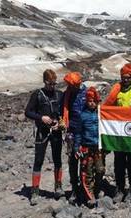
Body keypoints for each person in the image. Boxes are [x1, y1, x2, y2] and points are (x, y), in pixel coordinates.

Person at [104, 63, 131, 203]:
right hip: (119, 135)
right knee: (119, 163)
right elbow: (108, 108)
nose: (126, 79)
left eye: (128, 77)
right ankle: (120, 189)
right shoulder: (117, 92)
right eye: (123, 77)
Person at [25, 69, 64, 205]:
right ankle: (35, 191)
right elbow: (28, 112)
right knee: (39, 160)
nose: (52, 86)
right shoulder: (37, 94)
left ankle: (58, 186)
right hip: (42, 131)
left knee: (57, 159)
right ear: (44, 81)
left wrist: (60, 123)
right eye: (50, 84)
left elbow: (64, 113)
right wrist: (41, 117)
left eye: (54, 84)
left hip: (56, 131)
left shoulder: (59, 95)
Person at [75, 87, 105, 208]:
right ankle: (89, 195)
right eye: (89, 101)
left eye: (93, 101)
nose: (91, 103)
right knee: (87, 172)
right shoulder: (82, 115)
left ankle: (97, 188)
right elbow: (78, 133)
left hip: (98, 147)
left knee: (100, 170)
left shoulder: (101, 114)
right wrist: (76, 147)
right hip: (86, 147)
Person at [62, 72, 88, 204]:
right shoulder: (67, 95)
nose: (70, 87)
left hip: (85, 131)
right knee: (72, 160)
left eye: (71, 85)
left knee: (85, 160)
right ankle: (74, 188)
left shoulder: (88, 93)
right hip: (71, 130)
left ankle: (86, 188)